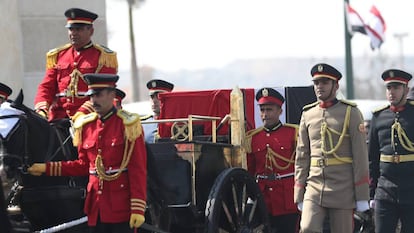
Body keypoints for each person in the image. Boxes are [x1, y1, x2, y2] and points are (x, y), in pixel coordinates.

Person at [28, 73, 147, 232]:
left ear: (112, 95)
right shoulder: (86, 125)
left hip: (121, 206)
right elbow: (83, 166)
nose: (94, 100)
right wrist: (46, 168)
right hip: (95, 207)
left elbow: (137, 169)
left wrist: (138, 207)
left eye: (98, 95)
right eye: (91, 96)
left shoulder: (128, 125)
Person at [294, 63, 370, 233]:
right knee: (307, 228)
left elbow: (360, 157)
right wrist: (299, 191)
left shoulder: (351, 112)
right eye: (316, 82)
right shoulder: (308, 114)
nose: (320, 86)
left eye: (325, 82)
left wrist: (362, 195)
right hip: (314, 185)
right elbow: (302, 156)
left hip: (342, 187)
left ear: (336, 86)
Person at [34, 8, 118, 121]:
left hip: (88, 117)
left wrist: (81, 114)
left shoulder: (104, 56)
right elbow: (46, 87)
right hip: (58, 117)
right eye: (71, 29)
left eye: (78, 29)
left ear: (91, 31)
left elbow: (103, 91)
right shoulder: (58, 55)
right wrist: (42, 109)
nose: (73, 33)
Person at [245, 87, 299, 233]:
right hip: (262, 198)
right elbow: (250, 170)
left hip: (286, 198)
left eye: (269, 110)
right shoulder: (252, 138)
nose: (265, 114)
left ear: (280, 111)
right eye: (262, 110)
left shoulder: (293, 133)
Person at [368, 69, 414, 233]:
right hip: (385, 191)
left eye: (396, 87)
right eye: (389, 88)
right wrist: (372, 193)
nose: (391, 92)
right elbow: (372, 158)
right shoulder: (379, 116)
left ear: (406, 90)